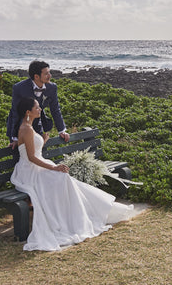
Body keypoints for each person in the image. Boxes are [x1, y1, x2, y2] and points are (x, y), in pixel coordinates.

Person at [11, 96, 134, 251]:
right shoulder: (26, 129)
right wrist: (54, 168)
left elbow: (32, 149)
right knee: (60, 177)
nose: (40, 109)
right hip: (29, 171)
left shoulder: (29, 126)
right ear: (28, 112)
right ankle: (68, 220)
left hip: (36, 166)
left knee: (64, 178)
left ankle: (80, 215)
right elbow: (31, 157)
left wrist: (43, 141)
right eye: (37, 107)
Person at [6, 60, 70, 149]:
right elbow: (15, 112)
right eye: (46, 74)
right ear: (36, 76)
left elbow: (55, 109)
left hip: (38, 125)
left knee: (39, 152)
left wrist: (61, 130)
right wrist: (15, 137)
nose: (50, 76)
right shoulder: (19, 88)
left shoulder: (52, 87)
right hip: (20, 127)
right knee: (20, 154)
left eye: (49, 72)